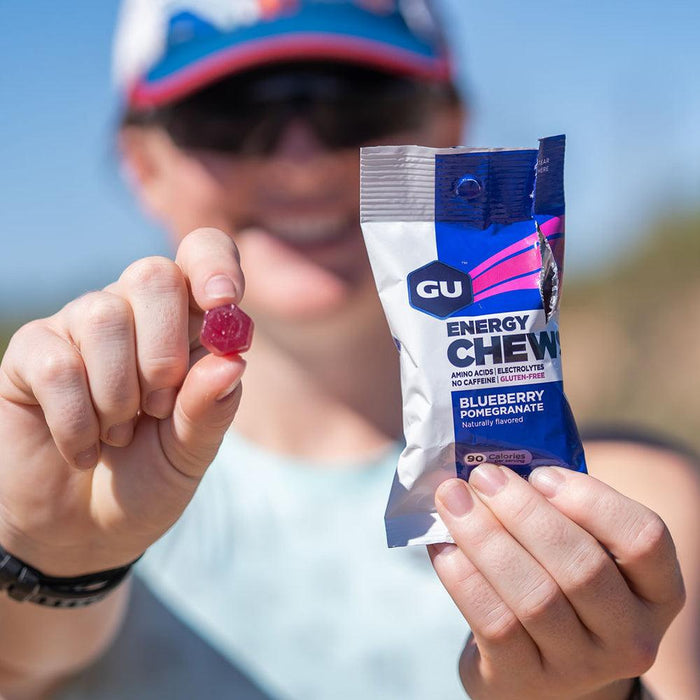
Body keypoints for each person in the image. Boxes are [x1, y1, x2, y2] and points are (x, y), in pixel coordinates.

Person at [0, 1, 698, 698]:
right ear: (144, 164)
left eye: (359, 101)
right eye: (228, 113)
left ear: (449, 130)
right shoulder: (78, 474)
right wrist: (52, 563)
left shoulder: (614, 503)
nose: (301, 161)